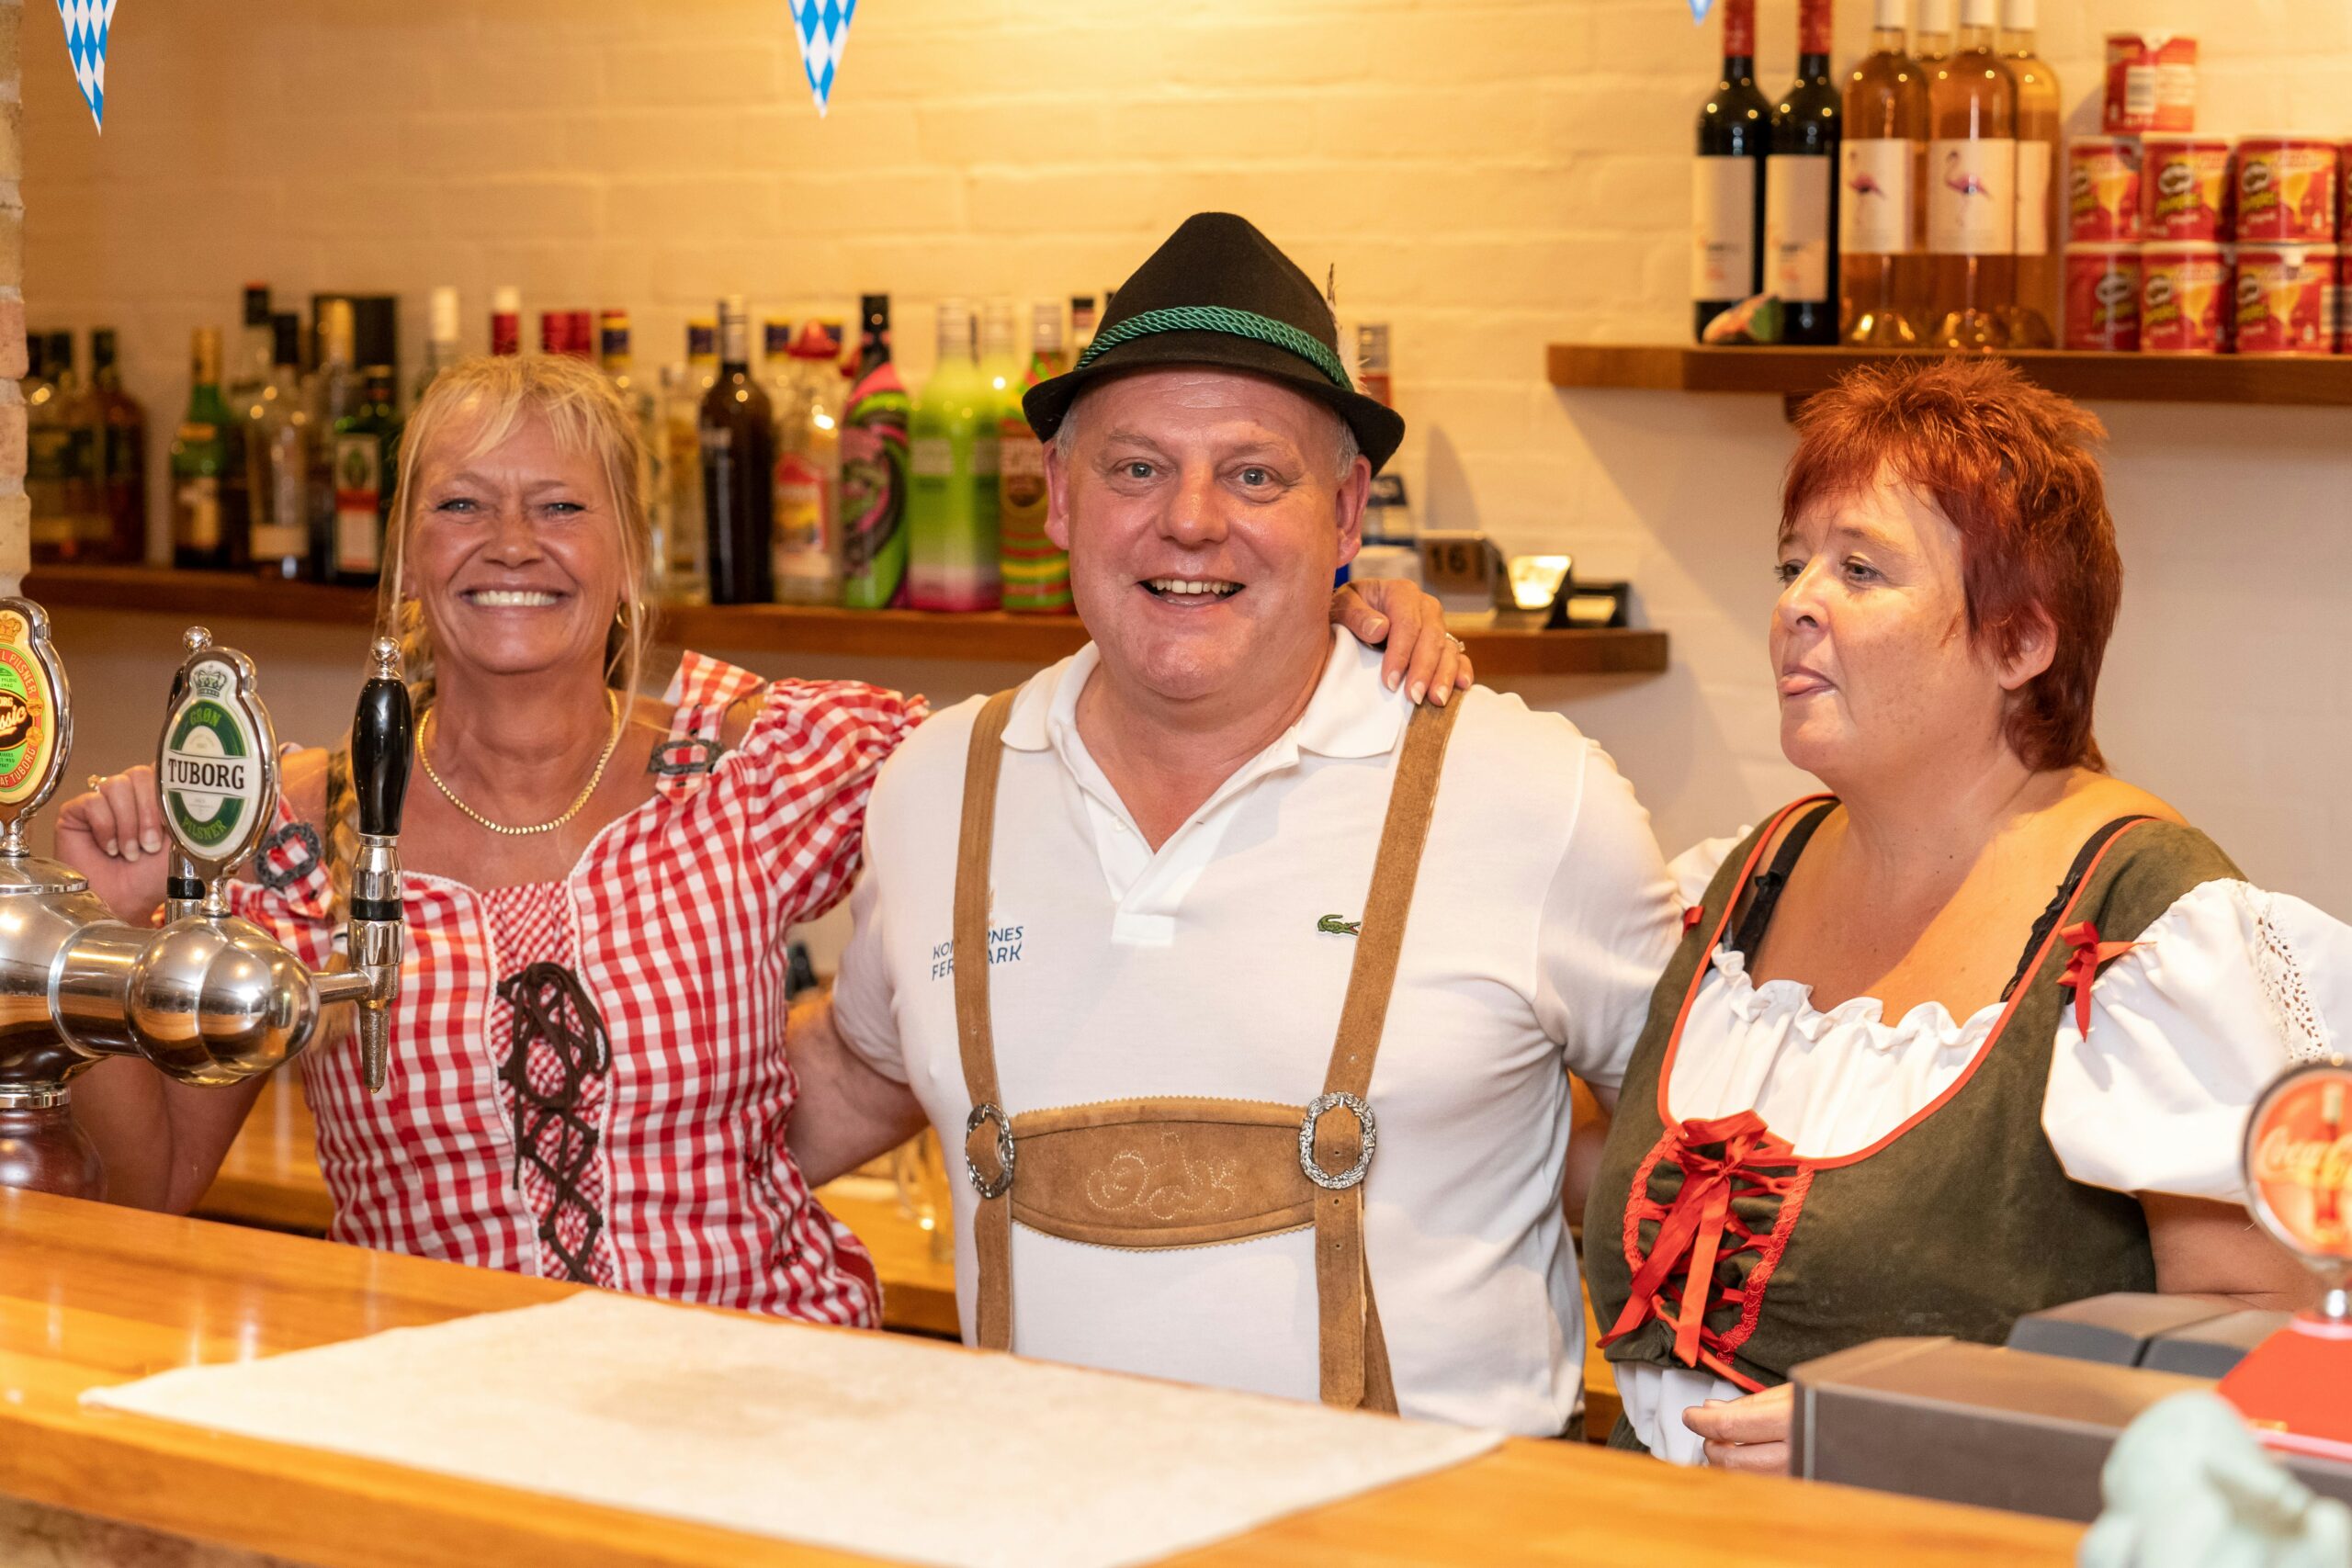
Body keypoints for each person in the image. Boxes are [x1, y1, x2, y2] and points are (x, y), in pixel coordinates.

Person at [57, 352, 1463, 1322]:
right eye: (463, 504)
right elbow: (154, 1179)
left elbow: (1051, 752)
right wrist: (104, 941)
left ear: (630, 551)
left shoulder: (756, 763)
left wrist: (1305, 612)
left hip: (761, 1398)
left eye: (562, 505)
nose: (512, 541)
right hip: (437, 1427)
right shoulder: (299, 831)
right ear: (407, 555)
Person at [786, 212, 1682, 1435]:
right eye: (1136, 468)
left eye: (1255, 474)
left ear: (1347, 511)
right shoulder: (937, 786)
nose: (1192, 520)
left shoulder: (1533, 795)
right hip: (1035, 1511)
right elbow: (853, 1073)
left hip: (1434, 1525)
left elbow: (1689, 1158)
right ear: (1057, 495)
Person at [1583, 358, 2323, 1471]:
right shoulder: (1751, 877)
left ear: (2020, 643)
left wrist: (1918, 1430)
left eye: (1860, 568)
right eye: (1792, 563)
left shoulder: (2151, 926)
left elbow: (2263, 1344)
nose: (1796, 603)